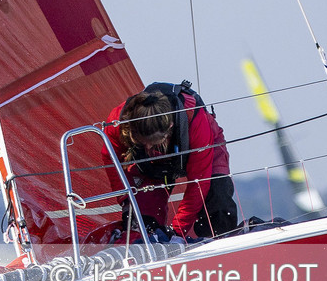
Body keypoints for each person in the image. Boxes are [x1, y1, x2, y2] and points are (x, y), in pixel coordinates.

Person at [102, 81, 238, 240]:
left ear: (170, 127)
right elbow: (110, 158)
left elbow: (199, 183)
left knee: (218, 204)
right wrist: (126, 200)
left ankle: (219, 245)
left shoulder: (195, 120)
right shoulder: (118, 121)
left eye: (154, 143)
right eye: (142, 141)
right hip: (151, 165)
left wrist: (177, 232)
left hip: (206, 146)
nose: (147, 147)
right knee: (142, 220)